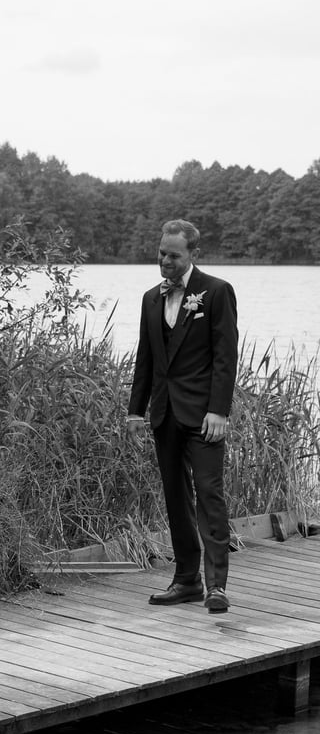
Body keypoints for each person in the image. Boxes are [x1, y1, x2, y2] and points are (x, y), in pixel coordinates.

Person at [127, 219, 238, 613]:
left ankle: (217, 586)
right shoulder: (150, 298)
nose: (165, 261)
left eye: (173, 255)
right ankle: (187, 580)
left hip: (205, 416)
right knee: (176, 498)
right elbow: (146, 357)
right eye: (161, 254)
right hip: (164, 414)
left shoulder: (217, 292)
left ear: (193, 254)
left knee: (209, 495)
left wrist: (219, 410)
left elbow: (225, 357)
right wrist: (135, 411)